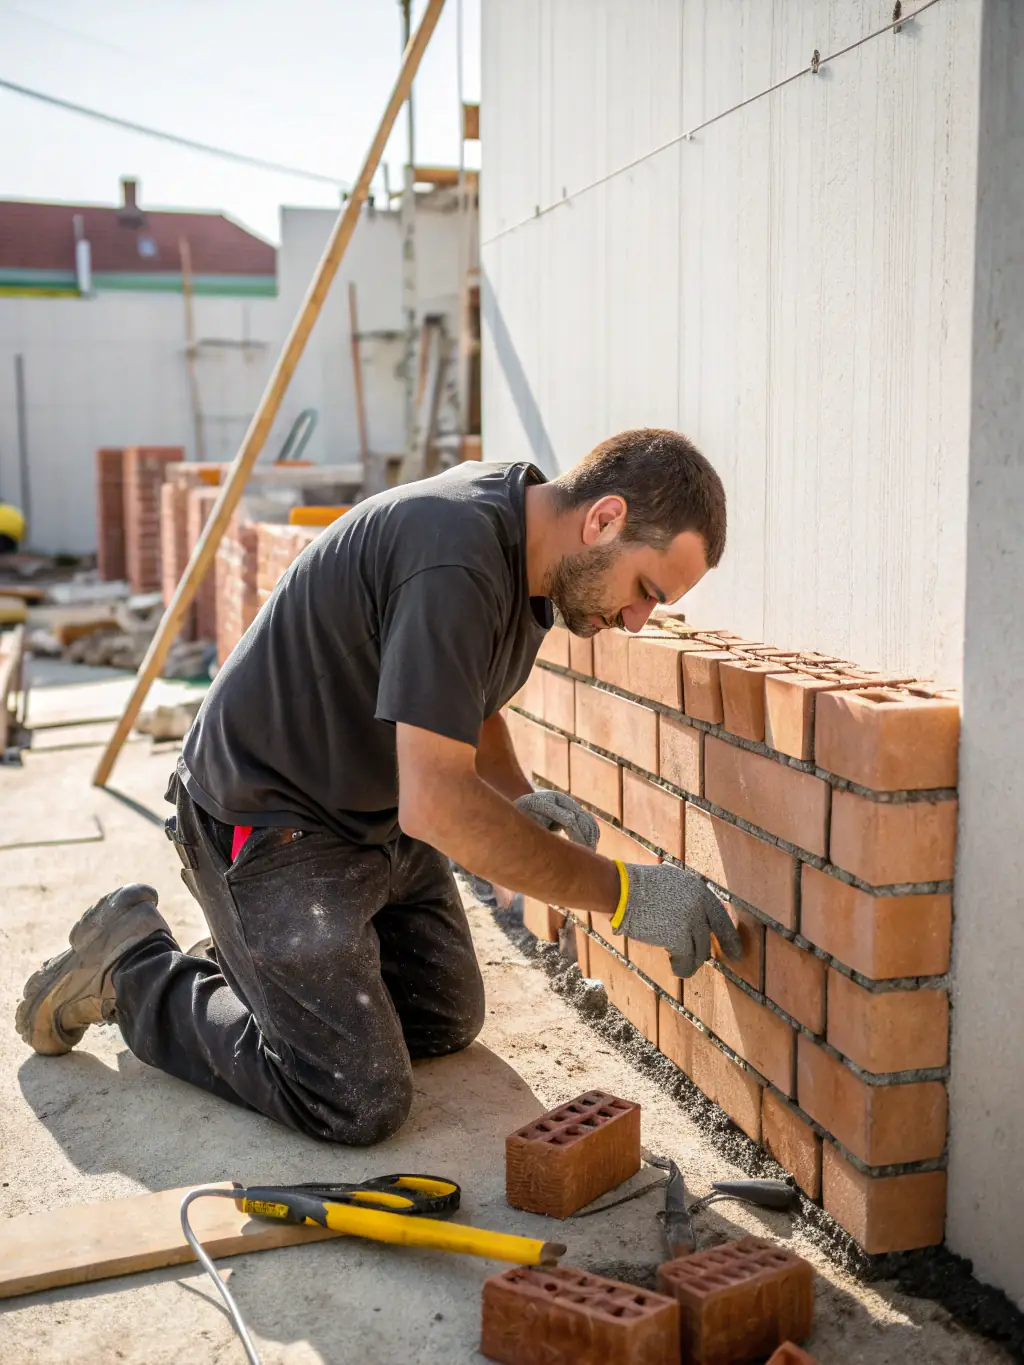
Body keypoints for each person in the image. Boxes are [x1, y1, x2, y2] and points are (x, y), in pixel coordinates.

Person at [16, 428, 741, 1145]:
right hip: (269, 820)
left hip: (369, 819)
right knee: (355, 1095)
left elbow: (466, 691)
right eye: (648, 589)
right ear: (605, 518)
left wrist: (514, 793)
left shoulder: (532, 548)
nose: (640, 619)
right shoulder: (456, 555)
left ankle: (262, 960)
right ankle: (134, 966)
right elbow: (439, 805)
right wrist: (623, 892)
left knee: (444, 1014)